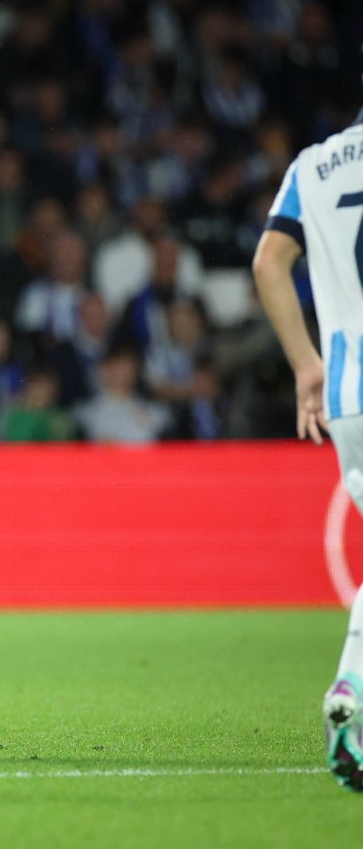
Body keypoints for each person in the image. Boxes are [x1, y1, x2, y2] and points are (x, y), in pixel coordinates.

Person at [253, 103, 363, 793]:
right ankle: (351, 683)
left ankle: (351, 691)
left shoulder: (314, 165)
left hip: (350, 389)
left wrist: (305, 365)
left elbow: (270, 262)